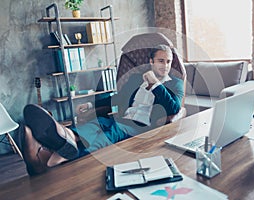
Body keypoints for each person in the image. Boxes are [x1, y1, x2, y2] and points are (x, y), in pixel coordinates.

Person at [20, 44, 184, 175]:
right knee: (90, 127)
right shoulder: (137, 79)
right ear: (151, 61)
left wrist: (155, 83)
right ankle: (63, 137)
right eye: (161, 61)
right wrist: (91, 105)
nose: (166, 65)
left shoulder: (175, 83)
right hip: (120, 118)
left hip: (140, 127)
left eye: (168, 61)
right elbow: (118, 98)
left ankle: (47, 157)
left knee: (107, 135)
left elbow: (174, 107)